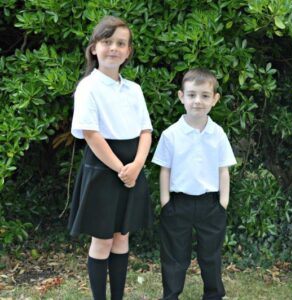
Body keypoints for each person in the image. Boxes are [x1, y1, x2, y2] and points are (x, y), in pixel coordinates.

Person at [68, 16, 153, 300]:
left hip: (132, 168)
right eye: (107, 42)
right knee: (102, 239)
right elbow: (91, 135)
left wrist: (138, 165)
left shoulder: (134, 89)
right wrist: (121, 169)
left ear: (128, 51)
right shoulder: (88, 88)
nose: (113, 48)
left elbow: (145, 130)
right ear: (94, 48)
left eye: (121, 43)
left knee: (122, 236)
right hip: (104, 169)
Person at [152, 68, 236, 300]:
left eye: (204, 95)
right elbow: (164, 170)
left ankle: (213, 294)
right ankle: (171, 295)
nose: (197, 101)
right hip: (178, 203)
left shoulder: (217, 134)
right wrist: (165, 202)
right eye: (191, 95)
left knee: (210, 255)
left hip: (211, 204)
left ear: (215, 99)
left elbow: (223, 170)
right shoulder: (171, 134)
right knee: (175, 255)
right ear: (181, 96)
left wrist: (223, 203)